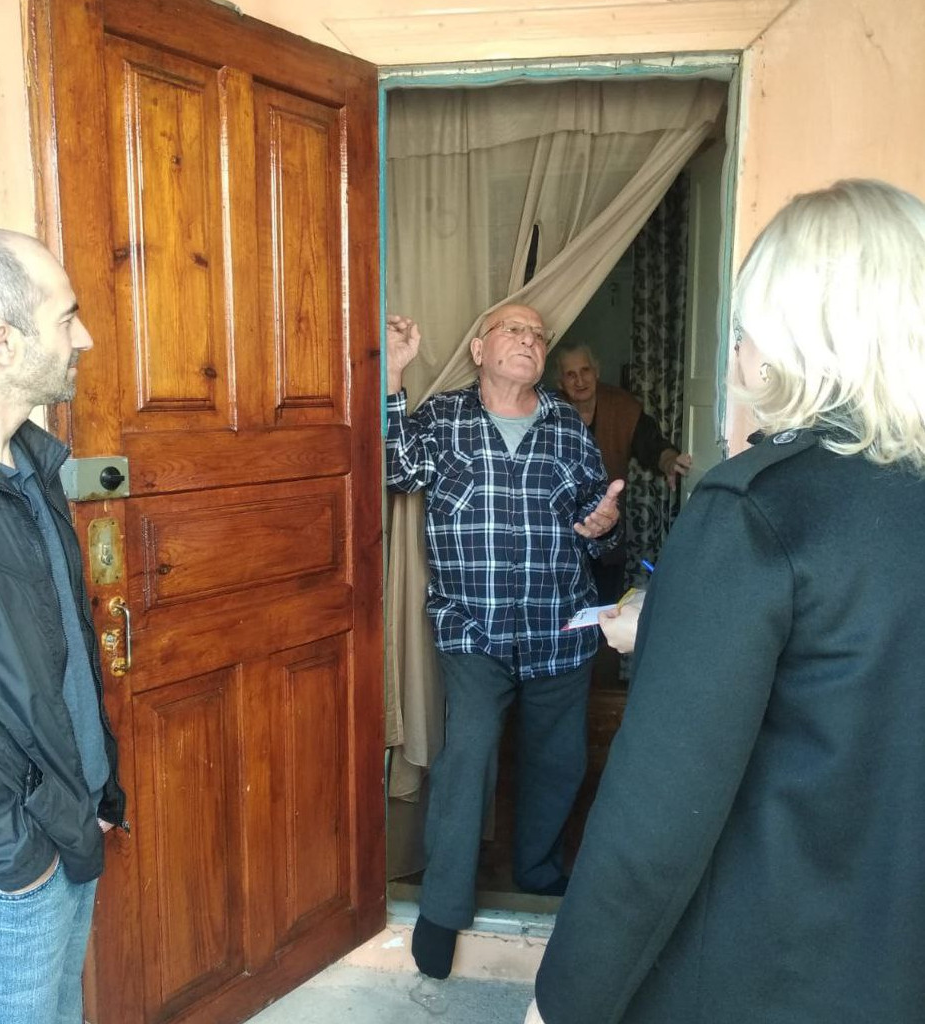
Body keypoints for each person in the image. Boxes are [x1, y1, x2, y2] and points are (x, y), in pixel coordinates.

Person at [523, 178, 925, 1024]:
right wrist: (677, 628)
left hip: (771, 967)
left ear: (788, 342)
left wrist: (564, 1000)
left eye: (743, 329)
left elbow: (658, 815)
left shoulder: (758, 511)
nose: (735, 351)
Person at [385, 304, 624, 980]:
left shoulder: (567, 428)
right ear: (479, 348)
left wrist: (604, 526)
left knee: (558, 760)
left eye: (537, 335)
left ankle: (538, 873)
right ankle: (442, 907)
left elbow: (598, 519)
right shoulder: (442, 419)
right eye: (514, 330)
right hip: (473, 626)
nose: (529, 340)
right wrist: (393, 376)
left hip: (558, 627)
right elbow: (393, 469)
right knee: (468, 754)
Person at [0, 228, 126, 1024]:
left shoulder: (33, 466)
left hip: (68, 821)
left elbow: (57, 655)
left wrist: (98, 787)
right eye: (66, 316)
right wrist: (15, 854)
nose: (85, 337)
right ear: (3, 341)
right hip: (11, 868)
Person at [553, 341, 691, 602]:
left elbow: (652, 445)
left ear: (597, 371)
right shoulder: (549, 411)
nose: (580, 380)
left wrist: (670, 462)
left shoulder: (621, 405)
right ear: (560, 382)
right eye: (570, 374)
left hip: (608, 530)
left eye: (585, 370)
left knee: (606, 605)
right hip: (562, 536)